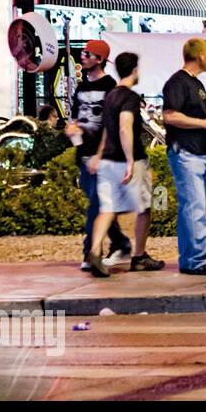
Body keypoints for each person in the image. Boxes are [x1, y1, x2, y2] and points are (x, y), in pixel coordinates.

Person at [84, 52, 164, 276]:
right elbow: (123, 126)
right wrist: (130, 160)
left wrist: (100, 155)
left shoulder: (110, 96)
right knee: (145, 207)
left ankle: (95, 250)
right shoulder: (129, 97)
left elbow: (107, 129)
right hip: (129, 160)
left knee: (107, 209)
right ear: (135, 70)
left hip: (108, 160)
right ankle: (139, 256)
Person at [67, 39, 132, 271]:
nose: (82, 56)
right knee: (100, 202)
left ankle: (91, 252)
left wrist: (102, 152)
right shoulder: (81, 88)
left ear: (100, 59)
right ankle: (121, 243)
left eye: (87, 53)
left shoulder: (110, 87)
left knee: (96, 204)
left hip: (101, 155)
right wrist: (73, 129)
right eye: (82, 53)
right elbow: (76, 116)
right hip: (84, 152)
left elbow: (111, 123)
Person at [162, 37, 206, 276]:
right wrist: (204, 123)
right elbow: (170, 116)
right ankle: (196, 260)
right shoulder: (177, 82)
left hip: (199, 153)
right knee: (194, 206)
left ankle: (193, 257)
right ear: (201, 56)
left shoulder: (195, 84)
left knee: (194, 206)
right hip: (185, 152)